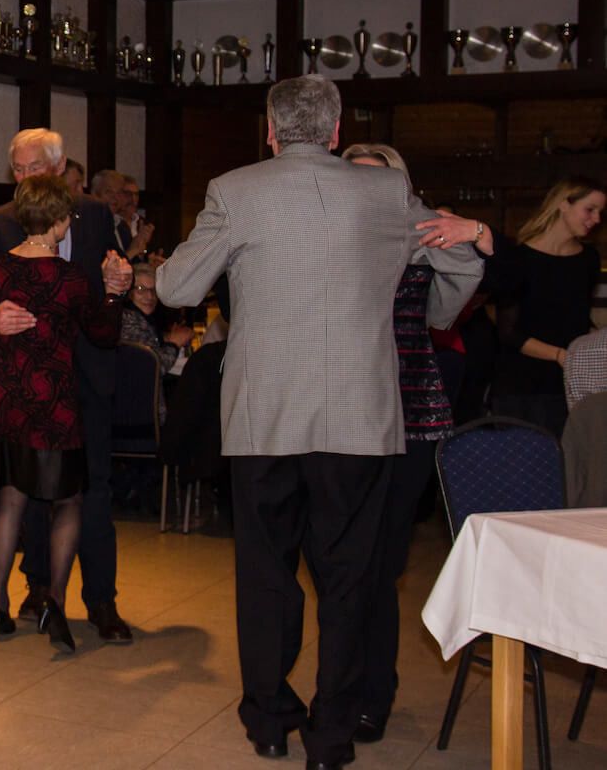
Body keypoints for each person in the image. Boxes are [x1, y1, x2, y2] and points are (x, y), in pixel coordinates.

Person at [156, 75, 482, 770]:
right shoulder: (387, 192)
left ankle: (270, 719)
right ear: (336, 133)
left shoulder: (234, 190)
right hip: (358, 418)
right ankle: (331, 737)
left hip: (265, 416)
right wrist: (440, 311)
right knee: (349, 577)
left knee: (266, 572)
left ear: (271, 132)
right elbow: (459, 261)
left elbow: (177, 286)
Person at [342, 143, 494, 744]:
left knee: (380, 565)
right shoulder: (327, 239)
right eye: (352, 178)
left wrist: (450, 228)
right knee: (339, 561)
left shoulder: (422, 239)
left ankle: (371, 694)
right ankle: (343, 683)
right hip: (339, 415)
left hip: (409, 414)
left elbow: (446, 310)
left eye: (377, 181)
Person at [0, 174, 131, 653]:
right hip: (54, 404)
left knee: (11, 500)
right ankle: (56, 602)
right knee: (68, 503)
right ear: (57, 220)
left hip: (6, 401)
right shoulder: (71, 278)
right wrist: (114, 293)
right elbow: (104, 334)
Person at [482, 175, 604, 435]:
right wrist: (561, 355)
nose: (596, 219)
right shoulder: (519, 259)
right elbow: (508, 333)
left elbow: (578, 319)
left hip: (569, 385)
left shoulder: (589, 259)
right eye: (590, 210)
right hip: (520, 386)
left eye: (600, 212)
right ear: (563, 204)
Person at [121, 263, 196, 410]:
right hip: (137, 411)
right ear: (129, 292)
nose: (149, 296)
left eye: (153, 290)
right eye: (141, 289)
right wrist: (174, 343)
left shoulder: (143, 319)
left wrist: (165, 339)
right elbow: (153, 368)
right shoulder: (128, 320)